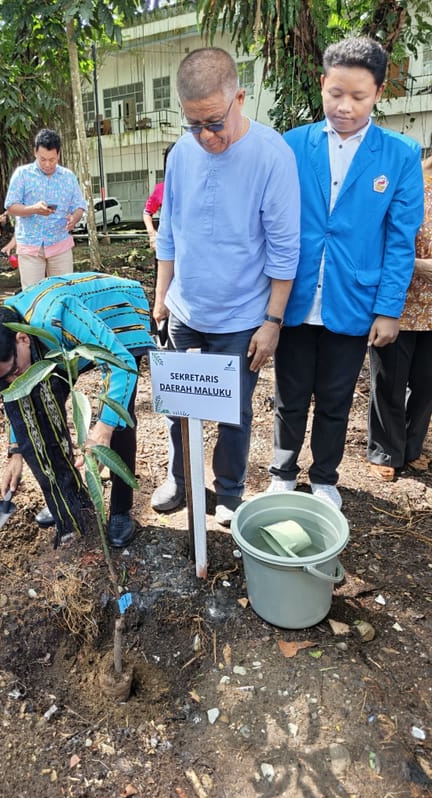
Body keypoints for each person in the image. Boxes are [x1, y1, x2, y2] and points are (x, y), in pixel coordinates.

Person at [267, 37, 424, 509]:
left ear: (378, 93)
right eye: (336, 93)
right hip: (294, 295)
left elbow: (400, 240)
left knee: (336, 399)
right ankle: (282, 469)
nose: (345, 106)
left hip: (353, 298)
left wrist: (389, 310)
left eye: (358, 96)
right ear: (322, 85)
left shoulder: (399, 155)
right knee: (289, 393)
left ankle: (325, 476)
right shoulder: (293, 145)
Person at [151, 47, 301, 526]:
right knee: (176, 408)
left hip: (242, 318)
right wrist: (161, 299)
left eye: (213, 122)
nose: (205, 136)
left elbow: (284, 249)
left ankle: (230, 490)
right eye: (193, 124)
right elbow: (170, 231)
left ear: (240, 97)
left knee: (233, 412)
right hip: (186, 311)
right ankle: (180, 477)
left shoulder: (272, 155)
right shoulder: (182, 154)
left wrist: (272, 321)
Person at [0, 272, 154, 548]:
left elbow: (121, 365)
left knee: (119, 416)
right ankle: (71, 499)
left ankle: (120, 509)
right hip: (64, 339)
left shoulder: (59, 314)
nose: (13, 380)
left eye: (13, 371)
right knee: (44, 401)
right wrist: (15, 450)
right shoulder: (2, 329)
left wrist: (104, 427)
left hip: (119, 314)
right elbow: (18, 400)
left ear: (23, 339)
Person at [367, 156, 432, 480]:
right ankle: (385, 450)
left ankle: (412, 447)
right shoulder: (406, 183)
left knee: (426, 384)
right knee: (390, 381)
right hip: (398, 303)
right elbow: (376, 240)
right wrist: (420, 267)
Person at [4, 128, 86, 289]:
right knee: (33, 296)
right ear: (35, 152)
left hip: (59, 244)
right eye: (43, 159)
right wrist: (33, 209)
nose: (48, 164)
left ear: (59, 155)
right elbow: (11, 206)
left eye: (52, 159)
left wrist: (74, 218)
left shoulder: (68, 177)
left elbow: (80, 206)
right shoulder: (22, 174)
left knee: (64, 294)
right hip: (30, 246)